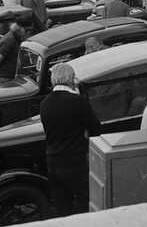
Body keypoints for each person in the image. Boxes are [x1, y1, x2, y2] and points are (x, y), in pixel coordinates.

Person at [39, 63, 101, 217]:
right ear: (70, 79)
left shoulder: (44, 103)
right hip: (73, 163)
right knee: (95, 202)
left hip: (53, 163)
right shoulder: (76, 101)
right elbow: (96, 128)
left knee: (63, 211)